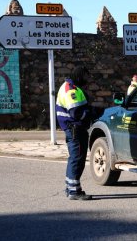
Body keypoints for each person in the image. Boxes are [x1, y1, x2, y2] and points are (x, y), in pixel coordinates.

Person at [56, 66, 93, 200]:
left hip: (74, 128)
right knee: (77, 159)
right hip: (75, 129)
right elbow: (77, 113)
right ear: (80, 76)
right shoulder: (70, 90)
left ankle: (72, 188)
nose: (88, 80)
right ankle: (73, 192)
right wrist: (92, 113)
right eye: (86, 77)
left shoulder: (70, 86)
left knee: (75, 159)